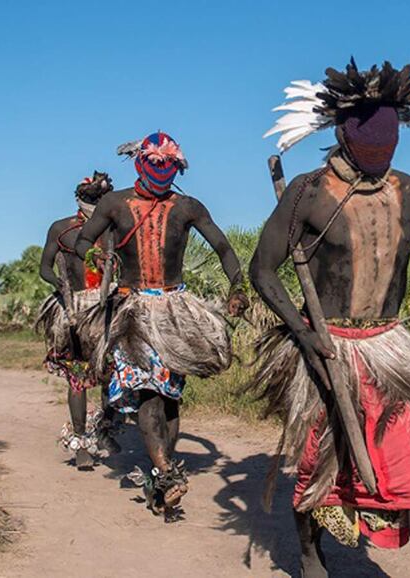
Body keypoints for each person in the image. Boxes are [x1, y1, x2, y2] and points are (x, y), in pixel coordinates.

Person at [248, 59, 410, 577]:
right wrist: (305, 335)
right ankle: (310, 557)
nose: (379, 160)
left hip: (392, 351)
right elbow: (262, 270)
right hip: (328, 347)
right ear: (340, 134)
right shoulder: (307, 194)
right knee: (322, 464)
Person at [75, 132, 247, 517]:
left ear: (178, 167)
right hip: (131, 310)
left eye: (169, 167)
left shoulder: (187, 207)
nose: (162, 173)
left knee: (170, 397)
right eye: (155, 165)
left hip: (174, 310)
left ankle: (159, 472)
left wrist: (238, 287)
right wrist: (92, 271)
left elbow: (223, 248)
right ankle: (168, 472)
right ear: (140, 163)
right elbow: (83, 242)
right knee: (149, 390)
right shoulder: (114, 203)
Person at [37, 171, 117, 470]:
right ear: (79, 199)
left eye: (99, 201)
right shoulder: (61, 229)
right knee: (79, 376)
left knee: (112, 373)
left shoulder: (113, 229)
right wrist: (59, 284)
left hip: (109, 307)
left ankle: (107, 429)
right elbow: (45, 267)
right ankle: (82, 442)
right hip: (75, 309)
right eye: (90, 200)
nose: (93, 206)